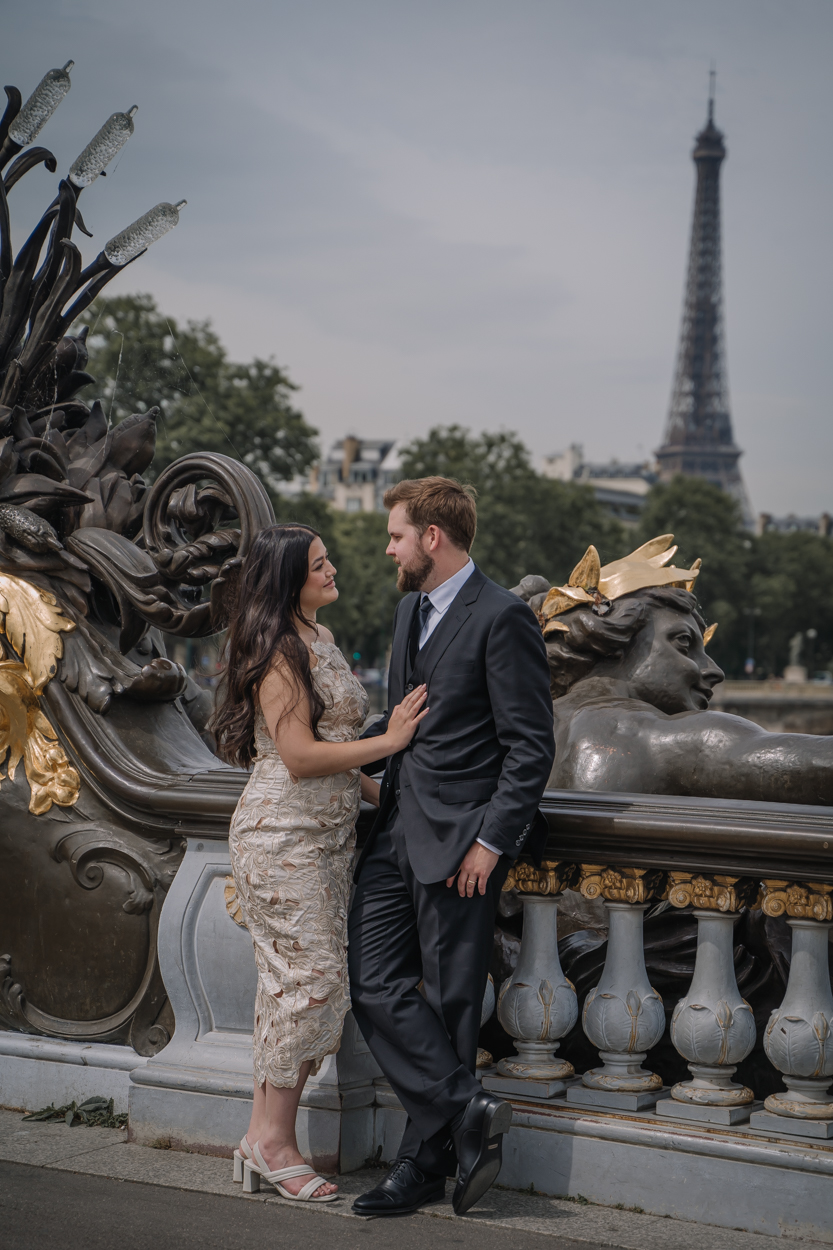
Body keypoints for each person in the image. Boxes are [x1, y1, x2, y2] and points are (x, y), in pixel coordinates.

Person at [348, 477, 555, 1218]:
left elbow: (529, 748)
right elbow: (404, 721)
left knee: (449, 1008)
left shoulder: (503, 617)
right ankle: (468, 1107)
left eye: (396, 534)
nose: (388, 547)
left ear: (432, 537)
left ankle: (417, 1166)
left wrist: (490, 844)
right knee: (370, 983)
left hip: (462, 846)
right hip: (392, 831)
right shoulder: (409, 610)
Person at [212, 523, 428, 1203]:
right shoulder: (278, 654)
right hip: (281, 836)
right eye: (317, 565)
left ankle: (259, 1140)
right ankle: (274, 1142)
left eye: (328, 559)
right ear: (287, 581)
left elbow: (331, 751)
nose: (332, 571)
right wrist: (389, 741)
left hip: (328, 839)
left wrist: (389, 793)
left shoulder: (321, 641)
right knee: (312, 983)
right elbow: (300, 757)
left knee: (290, 988)